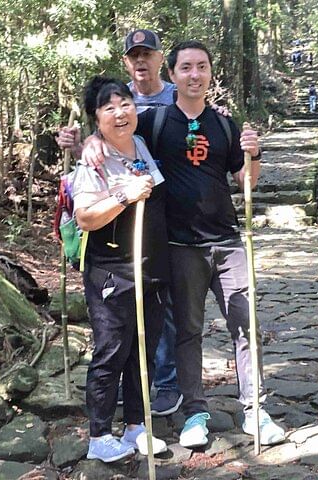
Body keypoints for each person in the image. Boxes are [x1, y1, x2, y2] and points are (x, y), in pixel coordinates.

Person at [131, 40, 285, 448]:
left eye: (202, 66)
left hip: (228, 242)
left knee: (246, 325)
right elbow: (116, 140)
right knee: (188, 331)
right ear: (173, 74)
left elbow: (245, 181)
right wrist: (85, 143)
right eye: (186, 67)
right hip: (181, 245)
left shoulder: (224, 125)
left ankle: (255, 409)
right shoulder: (154, 122)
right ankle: (195, 413)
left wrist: (254, 154)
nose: (194, 74)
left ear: (210, 73)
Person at [58, 29, 184, 418]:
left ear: (161, 59)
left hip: (166, 224)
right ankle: (114, 412)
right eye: (134, 55)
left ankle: (161, 390)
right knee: (120, 332)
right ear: (127, 61)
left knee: (159, 318)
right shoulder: (117, 102)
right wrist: (87, 142)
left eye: (148, 53)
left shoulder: (176, 97)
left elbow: (198, 121)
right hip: (120, 246)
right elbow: (105, 134)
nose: (141, 60)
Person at [72, 76, 168, 462]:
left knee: (142, 352)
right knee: (111, 351)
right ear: (96, 118)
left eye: (125, 103)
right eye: (108, 107)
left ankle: (135, 426)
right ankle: (99, 436)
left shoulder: (141, 143)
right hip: (112, 271)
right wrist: (124, 195)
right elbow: (85, 217)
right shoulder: (93, 159)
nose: (120, 112)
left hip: (152, 268)